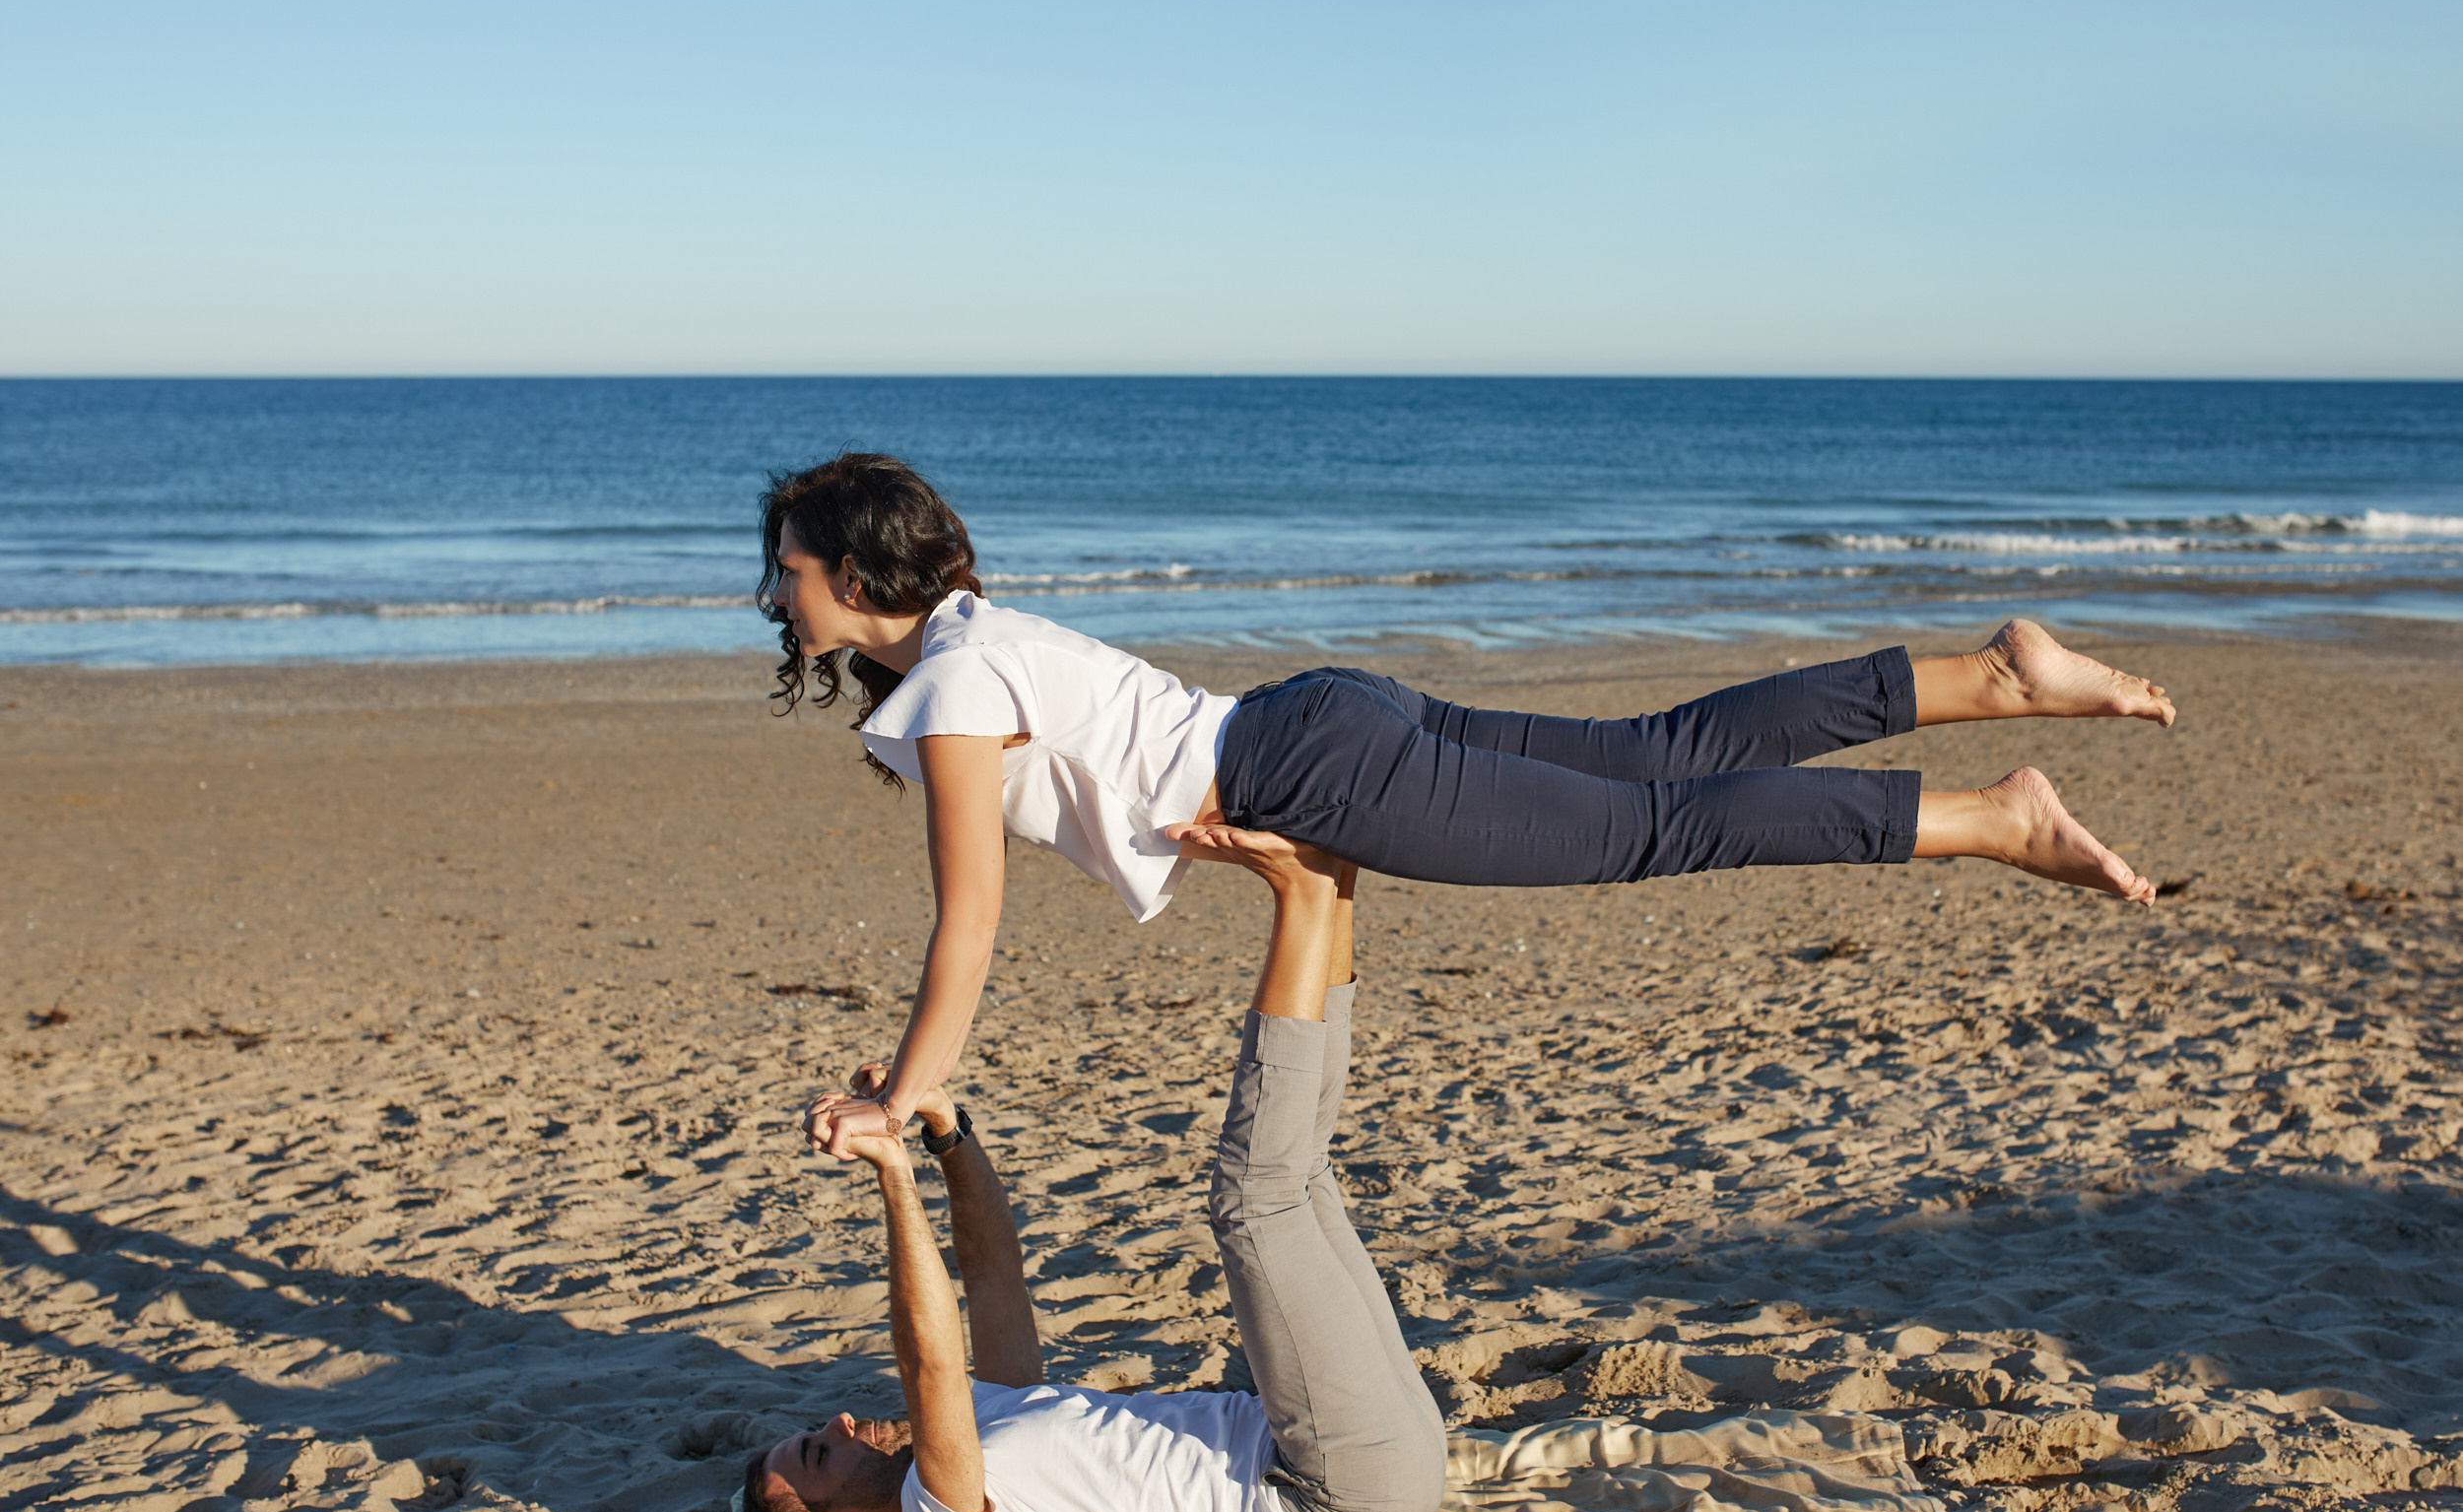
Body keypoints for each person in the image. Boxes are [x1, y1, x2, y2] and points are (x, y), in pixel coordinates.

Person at [758, 452, 2179, 1155]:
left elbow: (971, 924)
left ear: (855, 572)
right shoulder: (976, 640)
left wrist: (908, 1087)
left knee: (1652, 822)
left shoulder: (951, 684)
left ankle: (1991, 819)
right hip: (1312, 717)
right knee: (1652, 753)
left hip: (1303, 766)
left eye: (791, 567)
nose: (777, 592)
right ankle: (1989, 674)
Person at [743, 831, 1446, 1512]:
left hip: (1355, 1447)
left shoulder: (980, 1427)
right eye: (822, 1453)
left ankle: (1331, 875)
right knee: (1253, 1199)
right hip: (1332, 1496)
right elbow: (929, 1360)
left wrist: (946, 1131)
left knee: (1301, 1179)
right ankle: (1301, 893)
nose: (844, 1423)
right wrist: (891, 1171)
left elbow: (993, 1275)